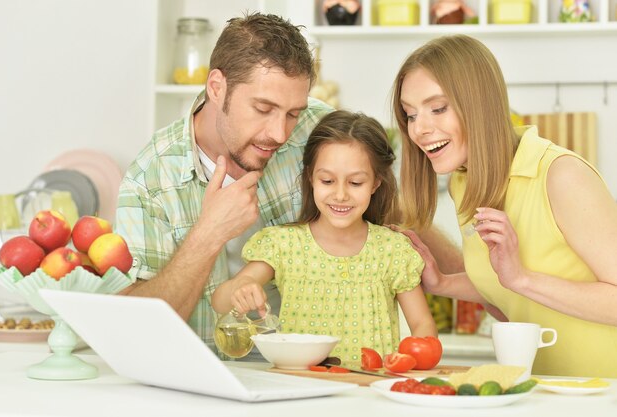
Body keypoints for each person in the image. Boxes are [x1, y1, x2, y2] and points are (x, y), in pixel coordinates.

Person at [116, 12, 462, 356]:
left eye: (293, 112)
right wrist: (208, 234)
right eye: (263, 109)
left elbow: (393, 214)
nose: (280, 133)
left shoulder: (317, 128)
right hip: (200, 377)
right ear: (217, 88)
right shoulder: (150, 179)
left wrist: (487, 290)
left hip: (307, 374)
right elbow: (134, 332)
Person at [391, 34, 617, 377]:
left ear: (480, 103)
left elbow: (517, 280)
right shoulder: (463, 182)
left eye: (438, 108)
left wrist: (522, 279)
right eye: (410, 115)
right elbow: (502, 284)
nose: (420, 129)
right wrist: (443, 283)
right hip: (547, 387)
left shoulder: (560, 175)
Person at [211, 110, 437, 362]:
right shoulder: (283, 244)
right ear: (311, 178)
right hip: (299, 390)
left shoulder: (393, 250)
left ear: (375, 183)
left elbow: (423, 326)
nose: (340, 195)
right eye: (328, 181)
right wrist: (240, 289)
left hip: (368, 393)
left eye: (355, 183)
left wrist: (411, 363)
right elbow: (220, 302)